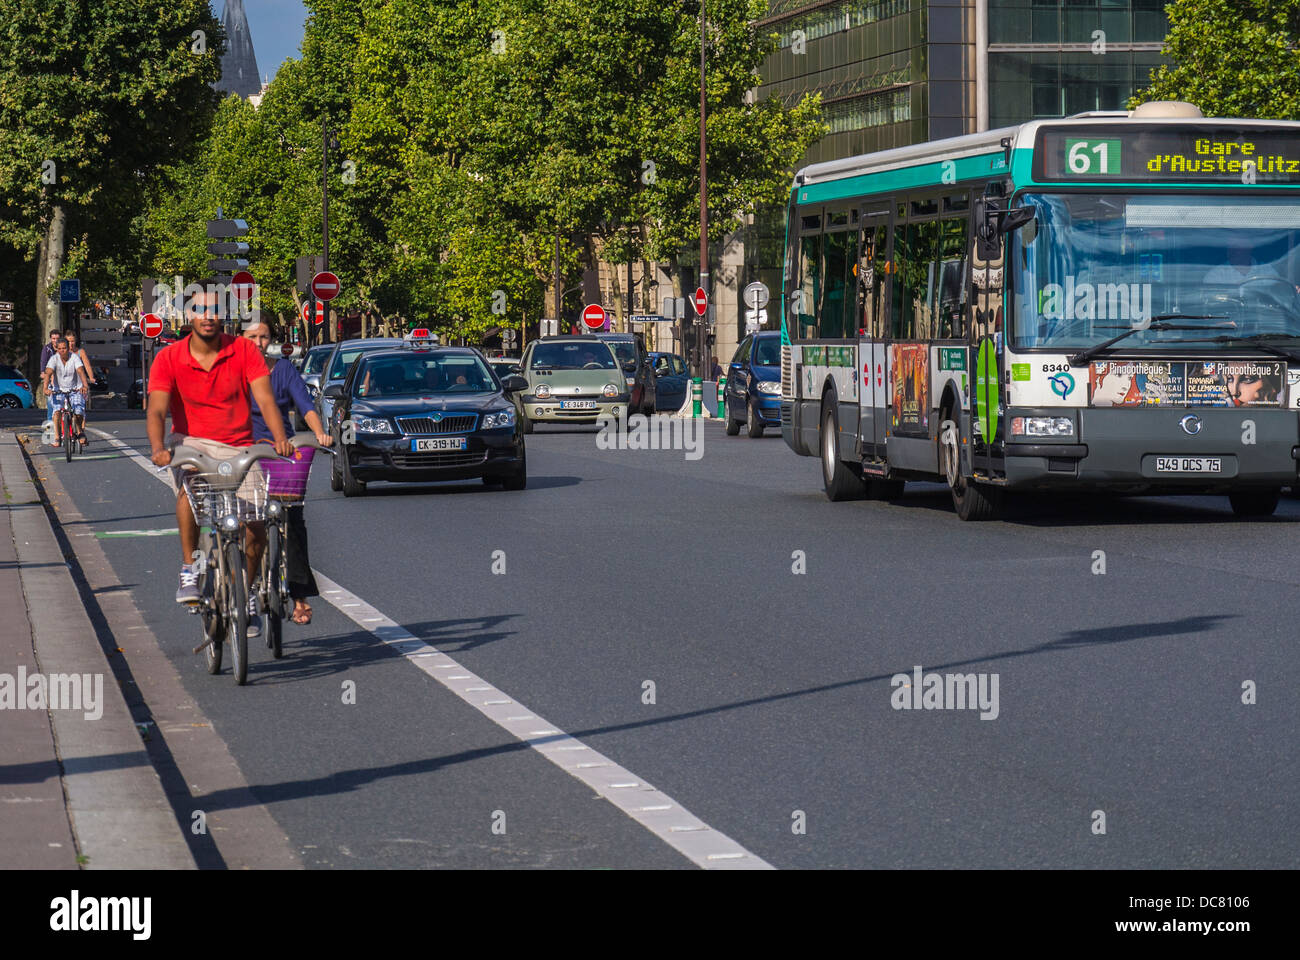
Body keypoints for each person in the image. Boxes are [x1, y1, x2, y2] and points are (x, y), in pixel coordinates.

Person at [147, 288, 293, 640]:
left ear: (224, 316)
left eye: (215, 311)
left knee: (257, 522)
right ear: (189, 316)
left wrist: (279, 438)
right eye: (201, 310)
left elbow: (265, 398)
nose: (208, 316)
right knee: (189, 489)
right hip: (191, 442)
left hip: (238, 445)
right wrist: (157, 447)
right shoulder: (169, 357)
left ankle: (245, 591)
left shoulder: (242, 350)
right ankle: (190, 567)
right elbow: (157, 409)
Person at [242, 318, 333, 625]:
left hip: (281, 448)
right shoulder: (234, 370)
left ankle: (299, 594)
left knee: (291, 518)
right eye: (252, 336)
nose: (258, 341)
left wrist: (320, 433)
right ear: (241, 339)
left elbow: (304, 404)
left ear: (271, 340)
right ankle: (243, 585)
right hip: (244, 450)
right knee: (243, 518)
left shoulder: (283, 369)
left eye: (264, 336)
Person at [42, 338, 90, 445]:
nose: (62, 351)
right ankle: (57, 437)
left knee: (78, 411)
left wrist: (85, 386)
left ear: (68, 348)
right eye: (59, 349)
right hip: (58, 390)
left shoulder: (74, 358)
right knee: (57, 411)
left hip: (75, 389)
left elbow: (81, 371)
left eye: (64, 348)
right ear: (57, 349)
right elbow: (48, 373)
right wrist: (46, 388)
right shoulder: (54, 359)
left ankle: (80, 431)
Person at [62, 330, 97, 439]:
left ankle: (80, 432)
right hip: (66, 384)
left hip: (79, 385)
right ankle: (63, 432)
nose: (71, 344)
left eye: (72, 341)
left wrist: (91, 377)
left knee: (79, 409)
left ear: (75, 341)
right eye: (68, 341)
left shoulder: (80, 352)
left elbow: (87, 366)